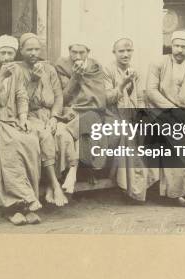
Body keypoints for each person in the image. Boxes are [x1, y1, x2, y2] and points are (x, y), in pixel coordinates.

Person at [0, 35, 42, 226]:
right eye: (2, 53)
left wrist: (23, 118)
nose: (6, 57)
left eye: (10, 53)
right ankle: (12, 206)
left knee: (31, 141)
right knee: (11, 144)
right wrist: (1, 76)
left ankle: (26, 203)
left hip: (11, 120)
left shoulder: (18, 70)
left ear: (15, 54)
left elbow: (21, 96)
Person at [145, 30, 185, 209]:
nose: (179, 50)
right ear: (171, 46)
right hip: (159, 114)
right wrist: (173, 111)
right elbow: (151, 92)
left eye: (184, 47)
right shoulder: (158, 63)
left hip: (184, 116)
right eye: (176, 45)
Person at [54, 38, 112, 193]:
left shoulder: (95, 66)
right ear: (69, 51)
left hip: (92, 110)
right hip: (70, 110)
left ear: (88, 53)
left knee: (89, 120)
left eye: (82, 52)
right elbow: (63, 97)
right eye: (74, 52)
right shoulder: (62, 65)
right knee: (85, 128)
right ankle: (76, 172)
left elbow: (99, 98)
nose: (78, 56)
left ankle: (73, 172)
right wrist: (75, 77)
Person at [104, 38, 158, 202]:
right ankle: (133, 189)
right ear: (114, 53)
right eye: (121, 51)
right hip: (112, 115)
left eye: (129, 51)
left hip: (132, 114)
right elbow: (106, 99)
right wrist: (122, 84)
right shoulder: (107, 70)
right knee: (128, 132)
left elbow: (141, 98)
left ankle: (151, 184)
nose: (126, 54)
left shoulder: (136, 72)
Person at [18, 33, 68, 207]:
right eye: (29, 49)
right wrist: (33, 80)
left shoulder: (49, 69)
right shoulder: (18, 70)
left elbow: (59, 96)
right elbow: (21, 101)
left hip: (49, 115)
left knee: (62, 134)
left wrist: (54, 117)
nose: (33, 53)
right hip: (29, 116)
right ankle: (55, 184)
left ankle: (48, 185)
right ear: (21, 50)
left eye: (36, 49)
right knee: (45, 136)